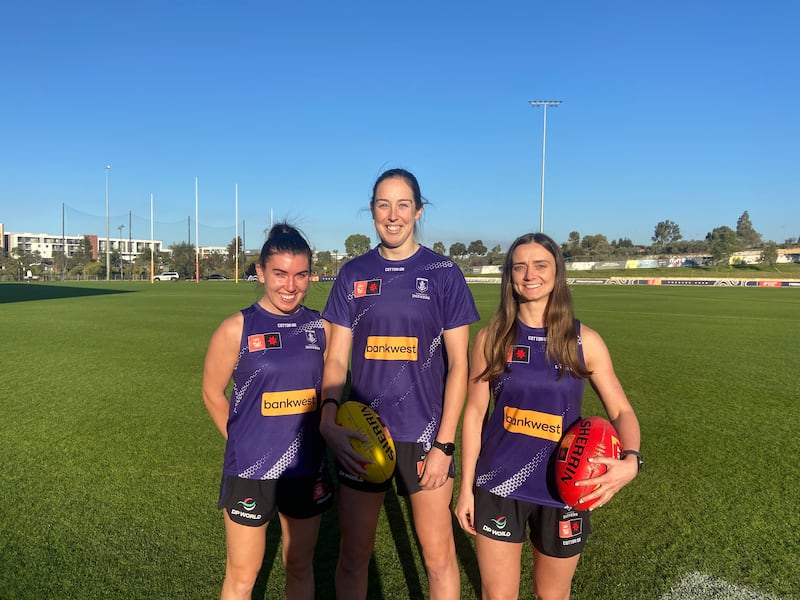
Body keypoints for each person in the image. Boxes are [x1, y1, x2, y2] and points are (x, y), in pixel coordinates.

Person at [320, 168, 480, 600]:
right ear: (371, 210)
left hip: (425, 436)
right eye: (383, 205)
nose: (393, 216)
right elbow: (336, 356)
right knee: (354, 555)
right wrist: (330, 420)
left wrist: (445, 446)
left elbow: (460, 366)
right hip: (361, 431)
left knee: (438, 557)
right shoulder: (353, 273)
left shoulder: (443, 272)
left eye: (403, 205)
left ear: (418, 210)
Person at [455, 232, 641, 600]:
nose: (529, 274)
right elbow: (475, 413)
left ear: (557, 273)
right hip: (498, 485)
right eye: (519, 266)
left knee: (552, 596)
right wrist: (465, 489)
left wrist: (632, 460)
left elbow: (621, 410)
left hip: (565, 488)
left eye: (540, 265)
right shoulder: (491, 339)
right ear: (508, 276)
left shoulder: (584, 341)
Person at [203, 223, 334, 600]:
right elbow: (212, 392)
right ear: (260, 272)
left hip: (306, 468)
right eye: (279, 274)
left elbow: (330, 389)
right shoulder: (237, 328)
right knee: (243, 575)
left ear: (310, 275)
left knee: (299, 565)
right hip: (250, 470)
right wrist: (239, 441)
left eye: (300, 275)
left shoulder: (319, 327)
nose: (289, 286)